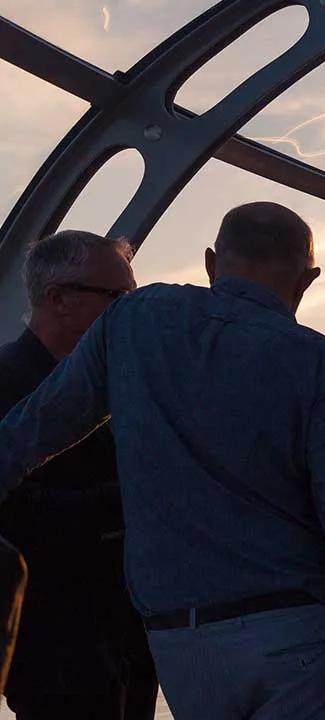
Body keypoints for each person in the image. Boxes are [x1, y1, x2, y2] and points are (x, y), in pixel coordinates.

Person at [0, 203, 325, 719]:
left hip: (179, 637)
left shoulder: (133, 320)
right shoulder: (318, 361)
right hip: (298, 629)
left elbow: (26, 436)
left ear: (211, 262)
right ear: (308, 279)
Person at [0, 230, 155, 720]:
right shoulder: (6, 384)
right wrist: (139, 498)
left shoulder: (125, 385)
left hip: (128, 639)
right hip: (57, 650)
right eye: (118, 298)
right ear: (58, 298)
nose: (129, 311)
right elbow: (17, 513)